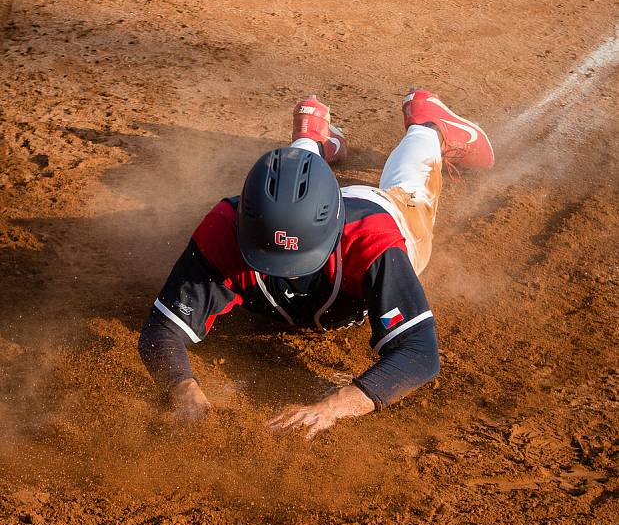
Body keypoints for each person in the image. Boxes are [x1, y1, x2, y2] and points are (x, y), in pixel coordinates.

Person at [138, 89, 494, 437]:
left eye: (299, 260)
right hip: (301, 214)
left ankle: (427, 124)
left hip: (374, 209)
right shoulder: (224, 229)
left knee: (411, 195)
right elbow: (161, 329)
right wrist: (183, 391)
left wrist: (333, 407)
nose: (287, 273)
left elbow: (420, 353)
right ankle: (310, 135)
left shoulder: (373, 240)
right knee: (292, 183)